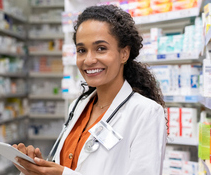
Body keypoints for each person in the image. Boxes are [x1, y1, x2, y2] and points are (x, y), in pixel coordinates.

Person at [13, 4, 167, 175]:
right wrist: (38, 168)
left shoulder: (146, 113)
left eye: (101, 48)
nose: (89, 60)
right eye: (81, 50)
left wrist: (63, 174)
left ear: (124, 53)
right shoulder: (78, 107)